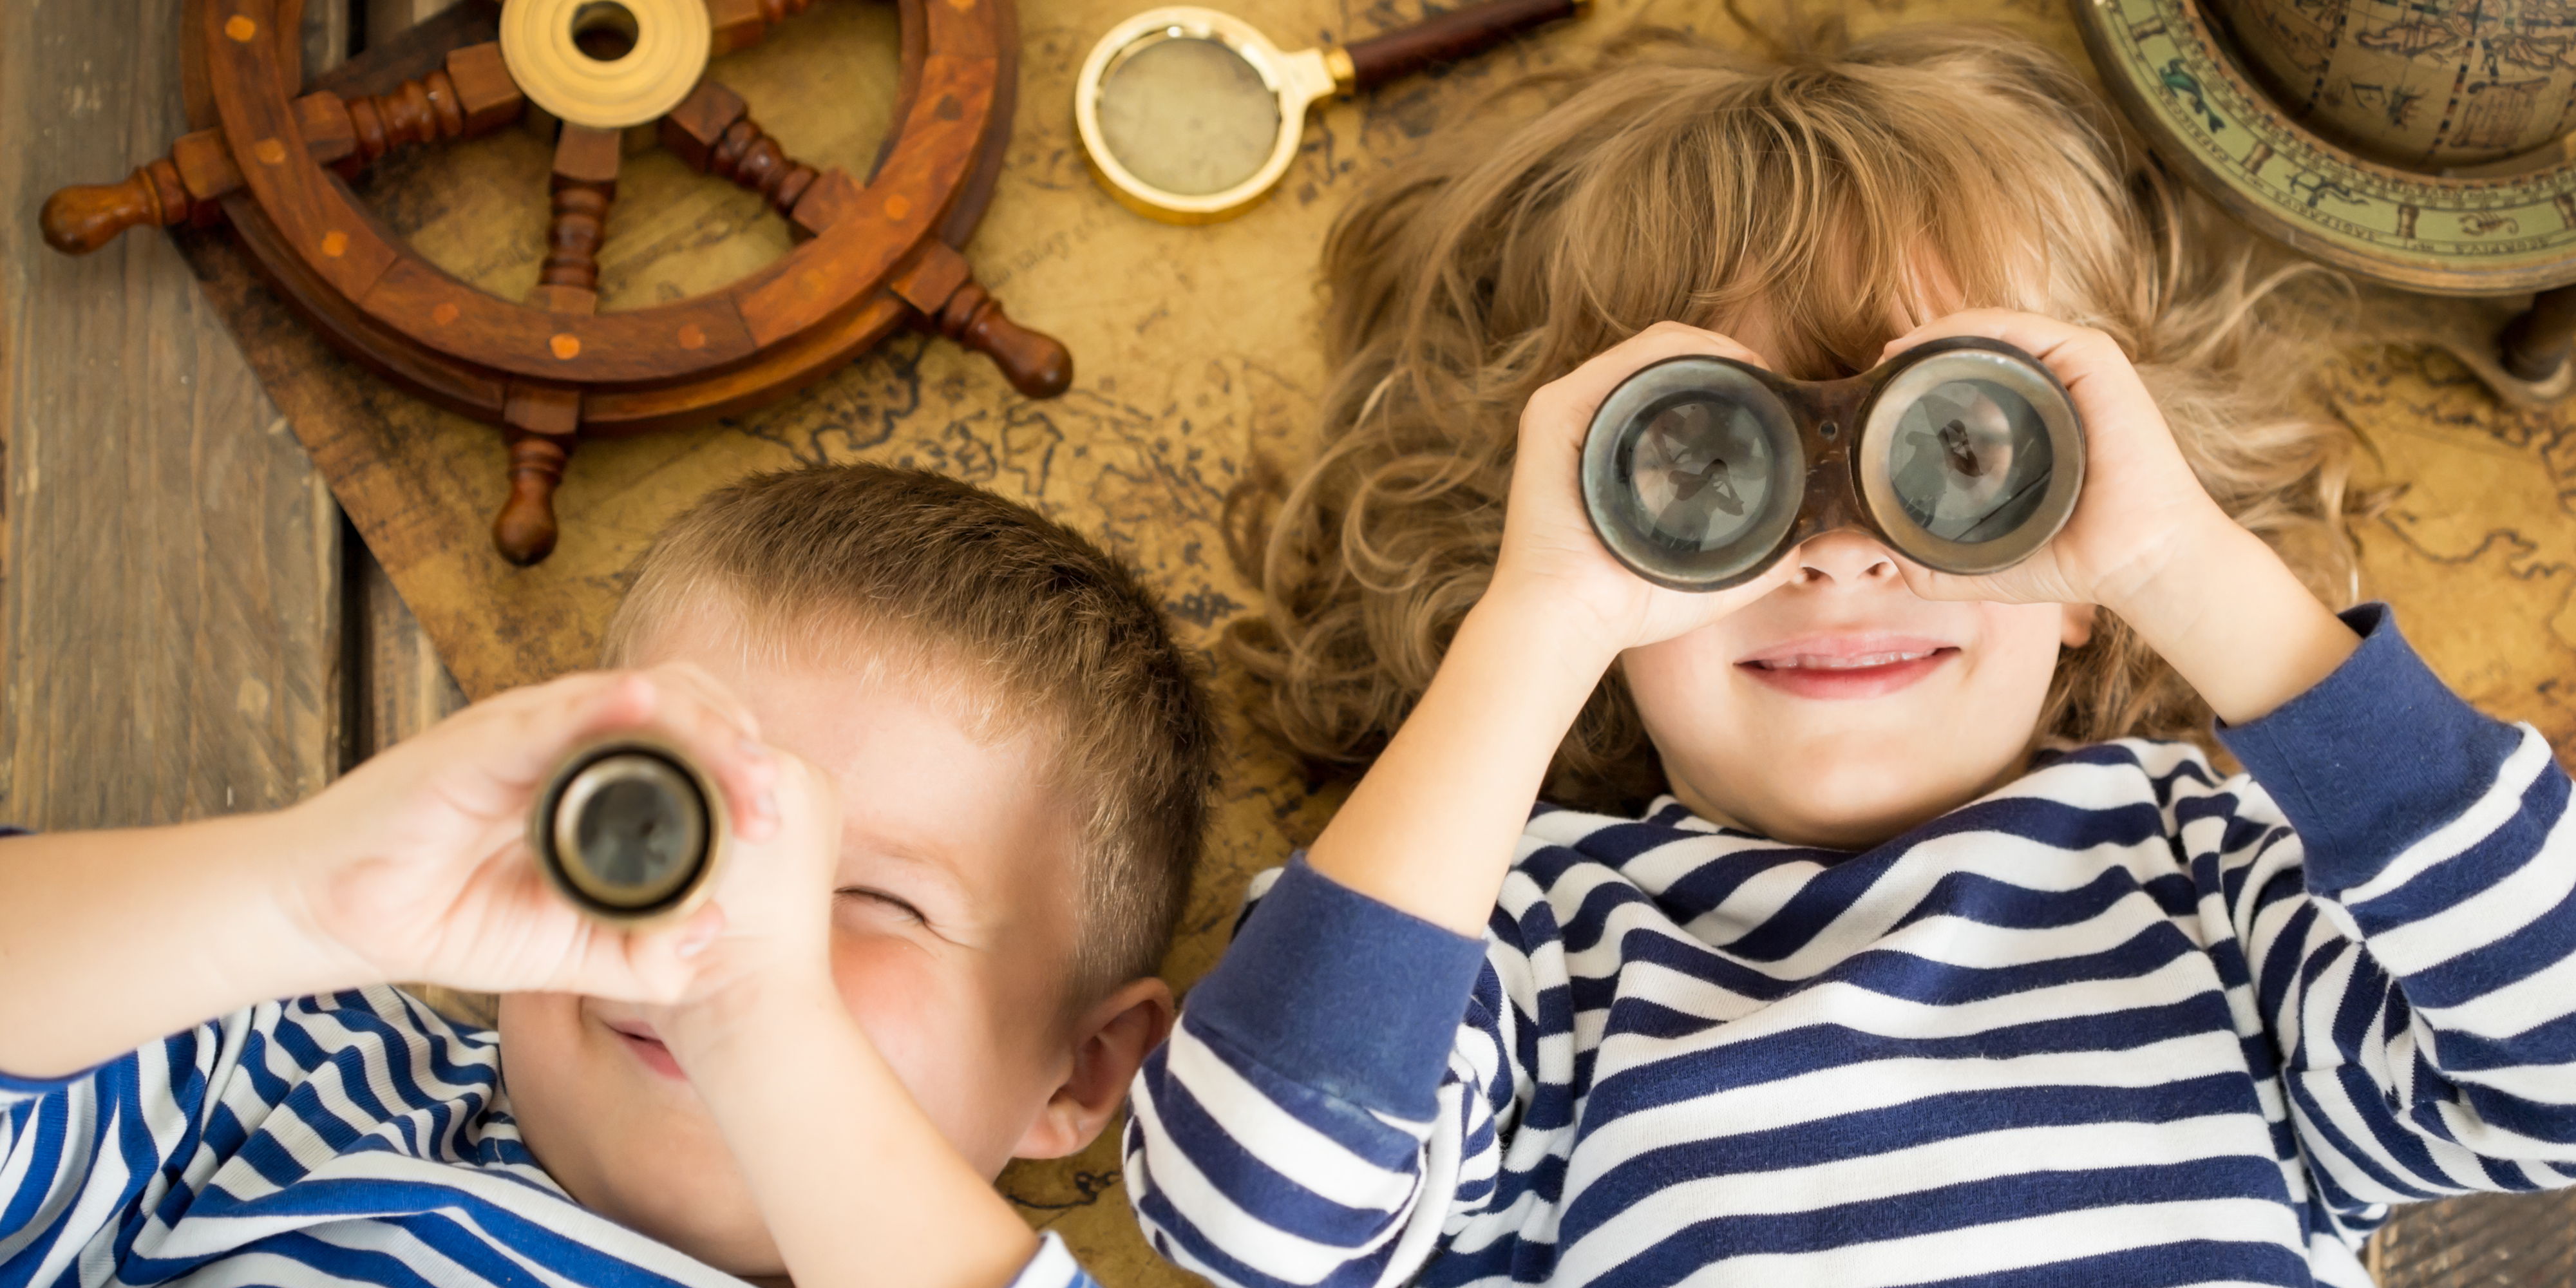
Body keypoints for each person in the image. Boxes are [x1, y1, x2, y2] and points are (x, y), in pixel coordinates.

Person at [1120, 23, 2576, 1288]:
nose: (1835, 551)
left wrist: (2176, 568)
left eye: (1955, 454)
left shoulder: (2208, 881)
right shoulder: (1525, 948)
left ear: (2082, 549)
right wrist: (1534, 627)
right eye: (1704, 468)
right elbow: (1246, 1214)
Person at [0, 463, 1220, 1288]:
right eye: (668, 833)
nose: (728, 924)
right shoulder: (321, 1092)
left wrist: (763, 1021)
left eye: (882, 900)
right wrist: (300, 896)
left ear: (1084, 1070)